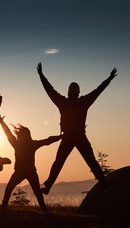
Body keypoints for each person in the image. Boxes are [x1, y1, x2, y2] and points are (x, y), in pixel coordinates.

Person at [36, 63, 117, 194]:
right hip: (69, 137)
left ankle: (106, 186)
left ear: (78, 92)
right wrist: (41, 76)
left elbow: (98, 91)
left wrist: (109, 79)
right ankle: (48, 187)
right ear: (69, 91)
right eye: (71, 88)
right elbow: (49, 90)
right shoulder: (66, 102)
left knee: (91, 162)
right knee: (59, 162)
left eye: (75, 88)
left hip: (79, 136)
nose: (73, 90)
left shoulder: (82, 102)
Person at [0, 115, 62, 212]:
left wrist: (59, 137)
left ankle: (44, 209)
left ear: (28, 135)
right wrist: (2, 123)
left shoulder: (25, 144)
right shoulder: (23, 144)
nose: (24, 136)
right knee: (10, 188)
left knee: (35, 191)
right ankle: (4, 205)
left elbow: (47, 141)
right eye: (24, 134)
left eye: (26, 134)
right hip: (23, 171)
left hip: (29, 171)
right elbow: (8, 134)